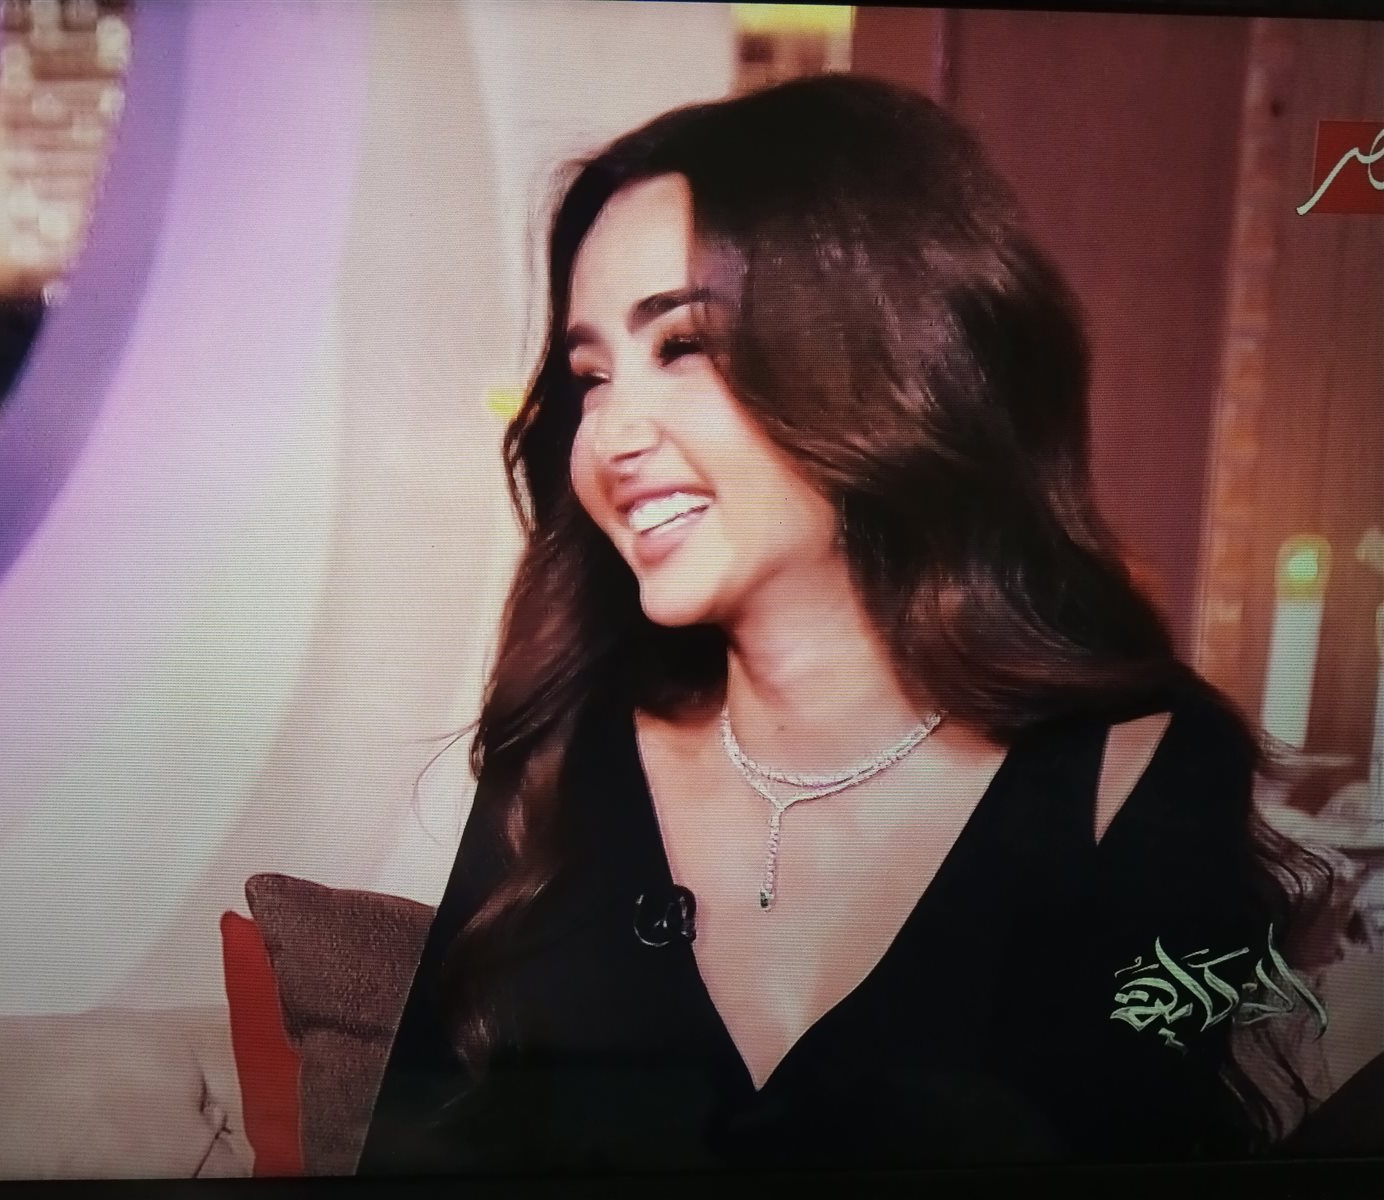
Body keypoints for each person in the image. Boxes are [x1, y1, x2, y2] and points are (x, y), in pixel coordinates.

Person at [355, 73, 1330, 1175]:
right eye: (591, 376)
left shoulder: (1144, 773)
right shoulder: (560, 761)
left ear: (885, 356)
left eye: (682, 346)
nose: (612, 435)